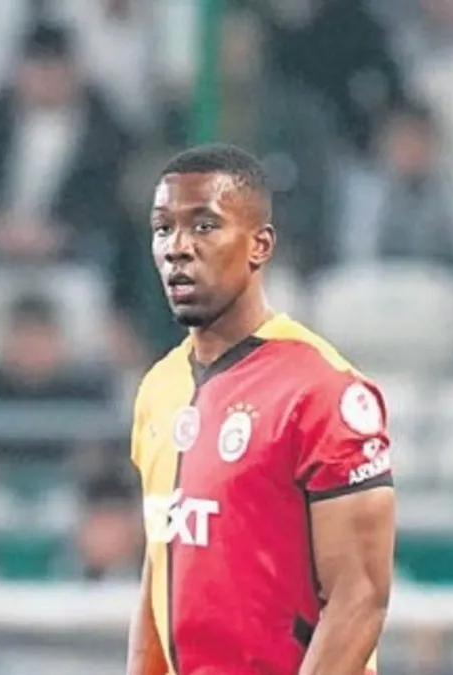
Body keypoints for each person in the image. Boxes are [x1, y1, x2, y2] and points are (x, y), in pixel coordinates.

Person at [126, 145, 395, 675]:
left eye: (204, 226)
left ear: (259, 245)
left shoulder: (321, 389)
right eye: (163, 229)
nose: (177, 248)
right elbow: (161, 570)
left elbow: (360, 598)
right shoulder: (158, 388)